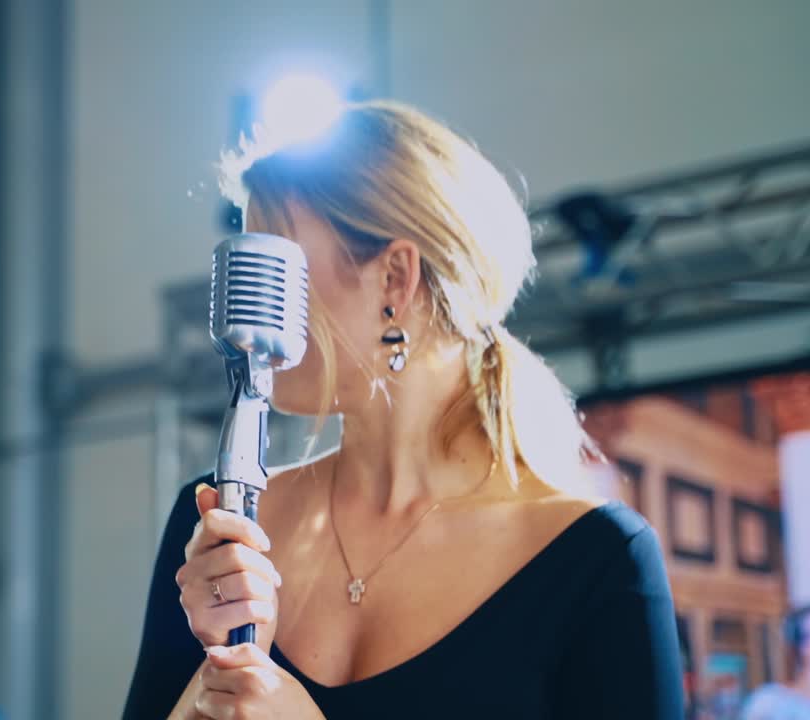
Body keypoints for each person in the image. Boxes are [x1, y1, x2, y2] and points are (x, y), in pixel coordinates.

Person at [122, 101, 683, 719]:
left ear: (395, 278)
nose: (262, 297)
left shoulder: (595, 561)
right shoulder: (216, 524)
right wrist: (206, 680)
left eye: (284, 262)